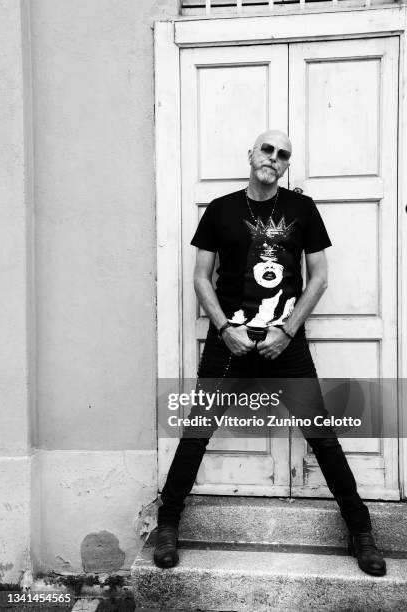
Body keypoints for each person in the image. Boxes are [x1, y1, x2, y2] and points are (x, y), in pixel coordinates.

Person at [154, 130, 386, 577]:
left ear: (286, 165)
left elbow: (318, 277)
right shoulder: (220, 210)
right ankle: (167, 525)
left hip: (286, 343)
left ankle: (362, 532)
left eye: (283, 155)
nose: (273, 158)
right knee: (196, 433)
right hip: (229, 343)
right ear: (251, 155)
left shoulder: (303, 210)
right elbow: (202, 277)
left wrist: (288, 329)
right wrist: (224, 328)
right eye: (267, 150)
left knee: (321, 435)